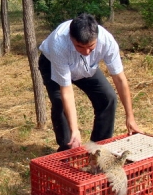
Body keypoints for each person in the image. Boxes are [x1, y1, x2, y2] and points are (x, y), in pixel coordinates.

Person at [38, 13, 141, 152]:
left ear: (96, 38)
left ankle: (98, 150)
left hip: (86, 68)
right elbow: (66, 90)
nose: (86, 52)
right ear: (71, 38)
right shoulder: (59, 43)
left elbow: (120, 79)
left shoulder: (107, 41)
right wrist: (75, 130)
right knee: (60, 102)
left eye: (91, 47)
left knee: (108, 98)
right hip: (52, 63)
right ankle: (67, 150)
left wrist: (130, 117)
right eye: (79, 46)